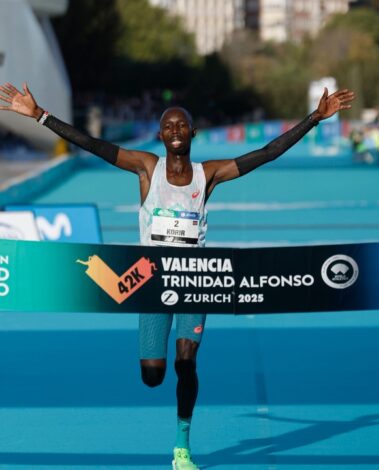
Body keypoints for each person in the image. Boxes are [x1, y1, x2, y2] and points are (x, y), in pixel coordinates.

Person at [0, 81, 354, 470]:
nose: (174, 131)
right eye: (168, 126)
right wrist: (41, 115)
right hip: (150, 282)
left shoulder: (209, 175)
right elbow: (92, 145)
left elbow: (267, 153)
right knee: (153, 376)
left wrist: (315, 118)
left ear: (193, 133)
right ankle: (161, 380)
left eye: (181, 125)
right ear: (159, 135)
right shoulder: (146, 168)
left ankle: (181, 446)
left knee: (187, 363)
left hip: (194, 281)